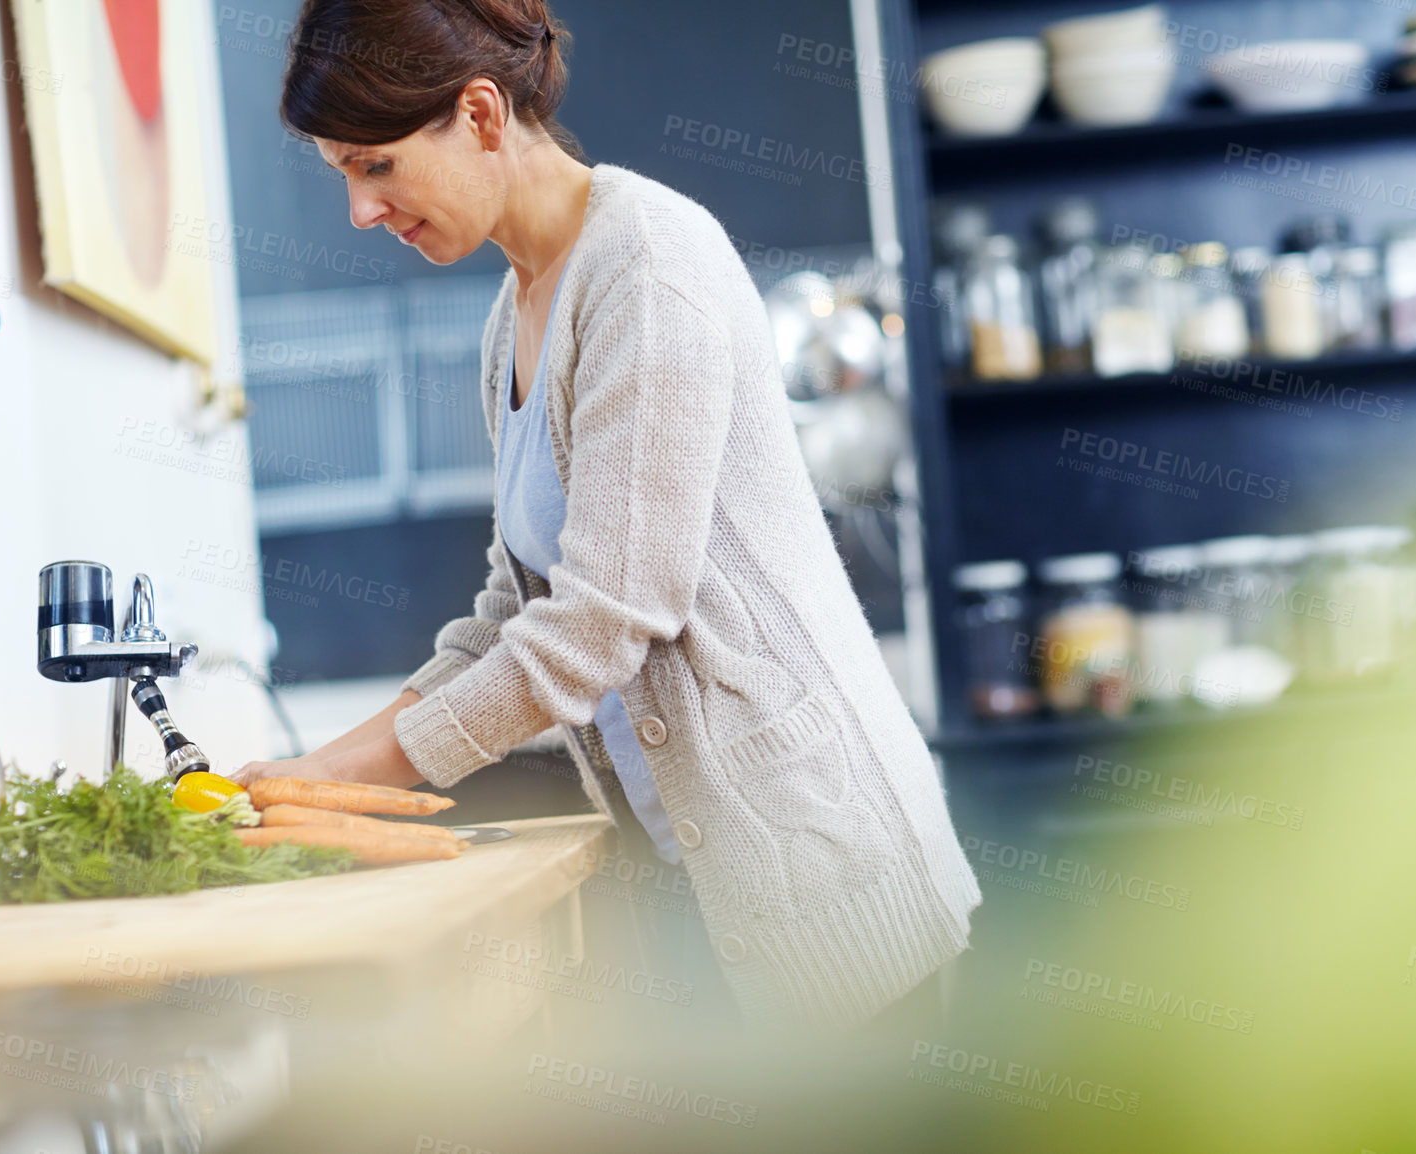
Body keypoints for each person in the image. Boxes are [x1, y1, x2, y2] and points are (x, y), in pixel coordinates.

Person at [234, 0, 981, 1028]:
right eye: (343, 175)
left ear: (483, 115)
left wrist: (342, 774)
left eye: (377, 165)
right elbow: (513, 610)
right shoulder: (514, 317)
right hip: (697, 883)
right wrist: (313, 772)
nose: (362, 210)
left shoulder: (649, 263)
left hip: (828, 877)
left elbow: (608, 617)